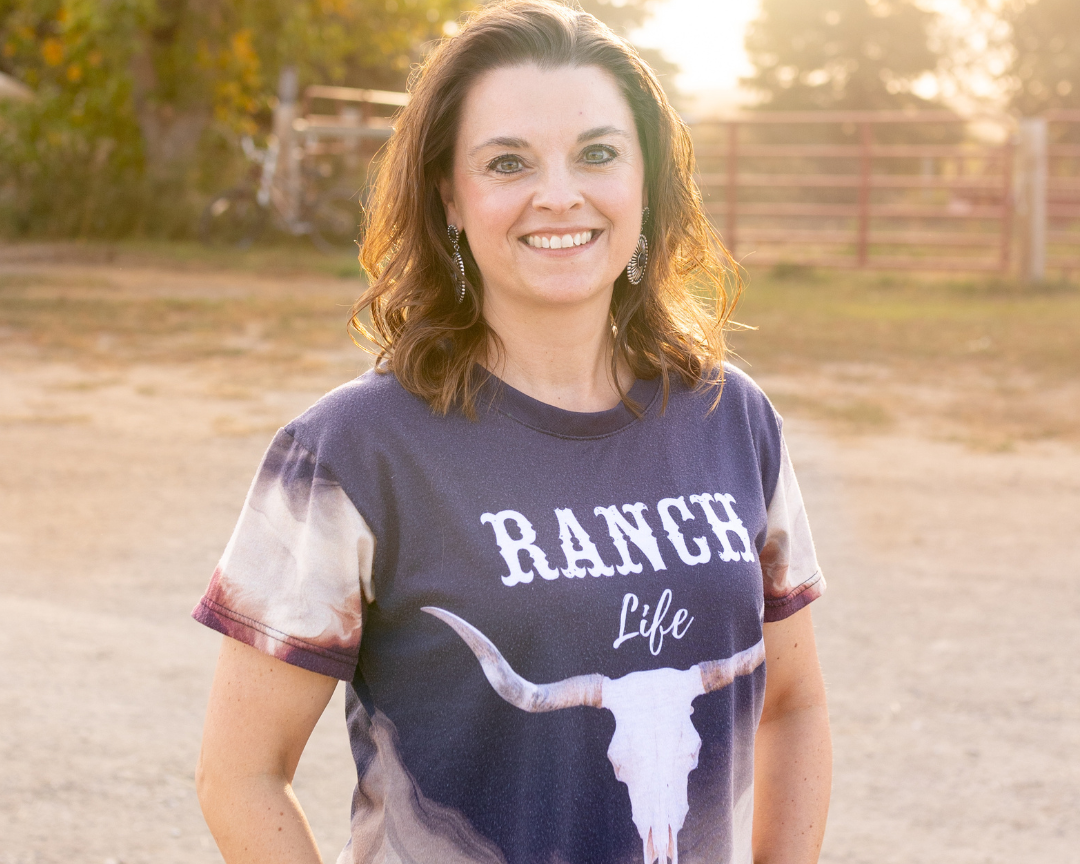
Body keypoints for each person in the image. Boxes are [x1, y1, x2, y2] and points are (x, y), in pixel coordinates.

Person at [193, 2, 832, 862]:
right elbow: (241, 773)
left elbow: (791, 703)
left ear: (647, 181)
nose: (559, 194)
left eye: (598, 154)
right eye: (508, 163)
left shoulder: (733, 419)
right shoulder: (349, 453)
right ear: (449, 197)